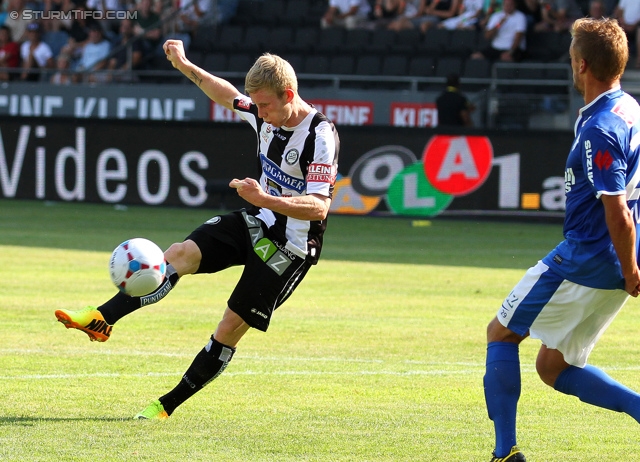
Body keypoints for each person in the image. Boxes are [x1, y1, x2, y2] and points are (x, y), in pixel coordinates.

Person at [54, 40, 340, 420]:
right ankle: (102, 318)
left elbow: (320, 206)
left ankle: (165, 406)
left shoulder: (320, 136)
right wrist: (186, 65)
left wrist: (264, 198)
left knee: (230, 325)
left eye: (267, 105)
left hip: (293, 245)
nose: (261, 113)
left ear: (289, 94)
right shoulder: (262, 112)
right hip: (260, 218)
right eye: (258, 106)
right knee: (180, 253)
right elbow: (229, 97)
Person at [484, 17, 640, 462]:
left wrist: (630, 270)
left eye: (572, 58)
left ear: (582, 64)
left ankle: (504, 454)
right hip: (613, 262)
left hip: (588, 257)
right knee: (552, 366)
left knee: (501, 334)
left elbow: (617, 210)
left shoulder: (601, 128)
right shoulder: (628, 109)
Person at [614, 0, 640, 68]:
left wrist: (634, 25)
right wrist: (623, 22)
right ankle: (617, 61)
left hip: (637, 25)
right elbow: (619, 11)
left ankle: (639, 60)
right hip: (624, 24)